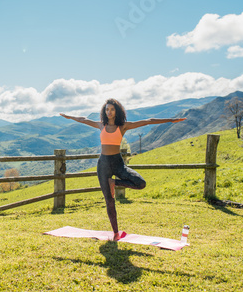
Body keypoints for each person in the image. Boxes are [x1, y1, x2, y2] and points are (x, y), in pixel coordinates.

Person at [60, 98, 186, 241]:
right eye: (107, 109)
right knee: (109, 201)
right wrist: (69, 116)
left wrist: (170, 120)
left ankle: (115, 183)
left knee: (140, 183)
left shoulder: (123, 126)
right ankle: (115, 233)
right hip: (103, 165)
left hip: (118, 163)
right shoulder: (101, 125)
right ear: (104, 111)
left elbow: (148, 121)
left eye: (112, 109)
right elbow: (83, 119)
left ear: (117, 111)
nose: (109, 112)